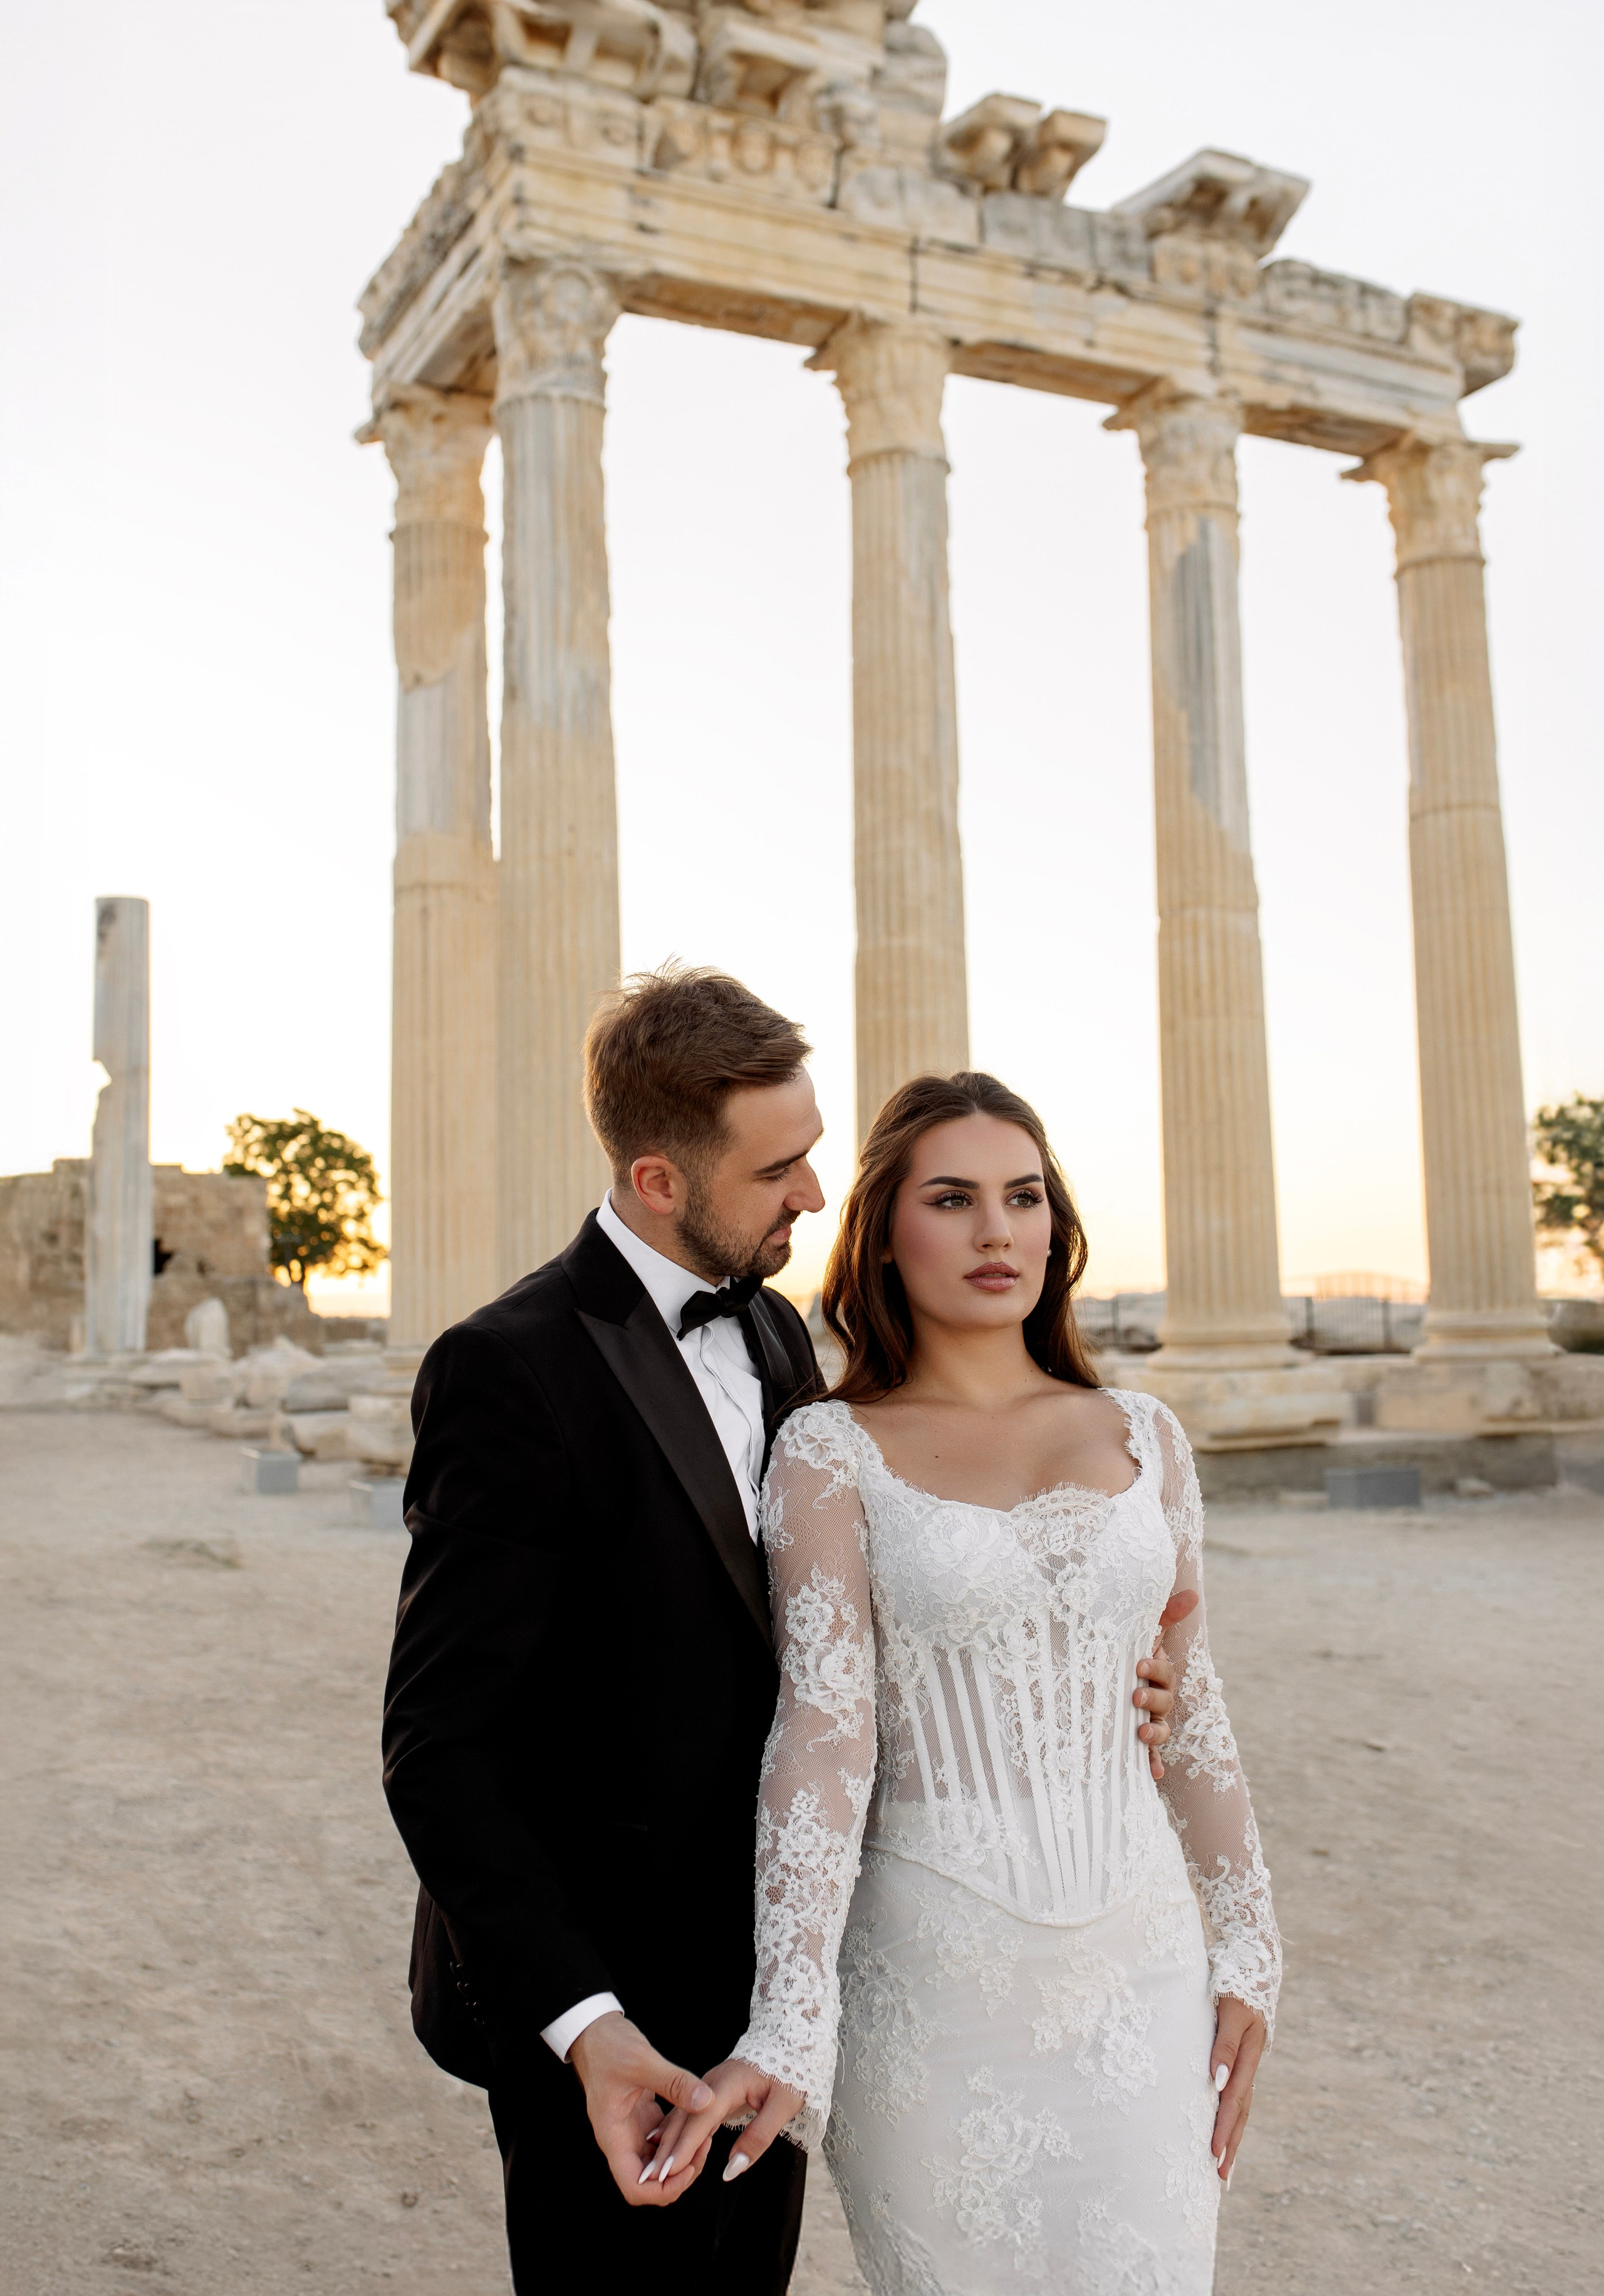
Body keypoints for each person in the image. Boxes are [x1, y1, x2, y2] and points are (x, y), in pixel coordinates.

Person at [381, 974, 1186, 2295]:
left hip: (791, 1971)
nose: (813, 1194)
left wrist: (1087, 1669)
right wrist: (588, 2027)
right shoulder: (508, 1369)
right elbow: (440, 1749)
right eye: (780, 1169)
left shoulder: (767, 1328)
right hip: (614, 1997)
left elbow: (852, 1629)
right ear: (656, 1178)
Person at [653, 1069, 1281, 2295]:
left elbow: (1189, 1704)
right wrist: (791, 2016)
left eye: (1023, 1196)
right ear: (885, 1235)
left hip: (1140, 1977)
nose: (997, 1231)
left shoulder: (1142, 1435)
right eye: (952, 1199)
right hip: (933, 1986)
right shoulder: (828, 1450)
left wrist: (1249, 1951)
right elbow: (822, 1745)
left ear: (1056, 1225)